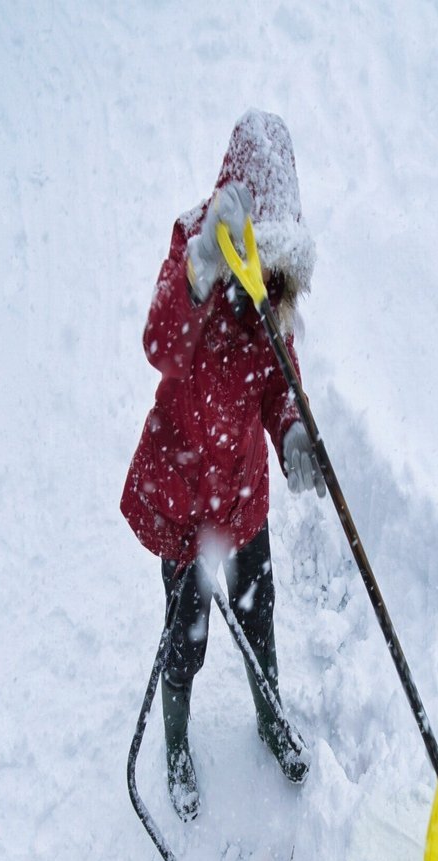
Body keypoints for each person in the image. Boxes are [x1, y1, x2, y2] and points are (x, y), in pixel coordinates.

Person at [121, 110, 326, 821]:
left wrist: (293, 428)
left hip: (242, 499)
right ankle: (175, 738)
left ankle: (269, 716)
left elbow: (277, 379)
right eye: (256, 261)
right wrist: (201, 270)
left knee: (258, 616)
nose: (264, 279)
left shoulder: (269, 298)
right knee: (186, 638)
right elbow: (161, 346)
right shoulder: (194, 255)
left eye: (277, 270)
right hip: (182, 499)